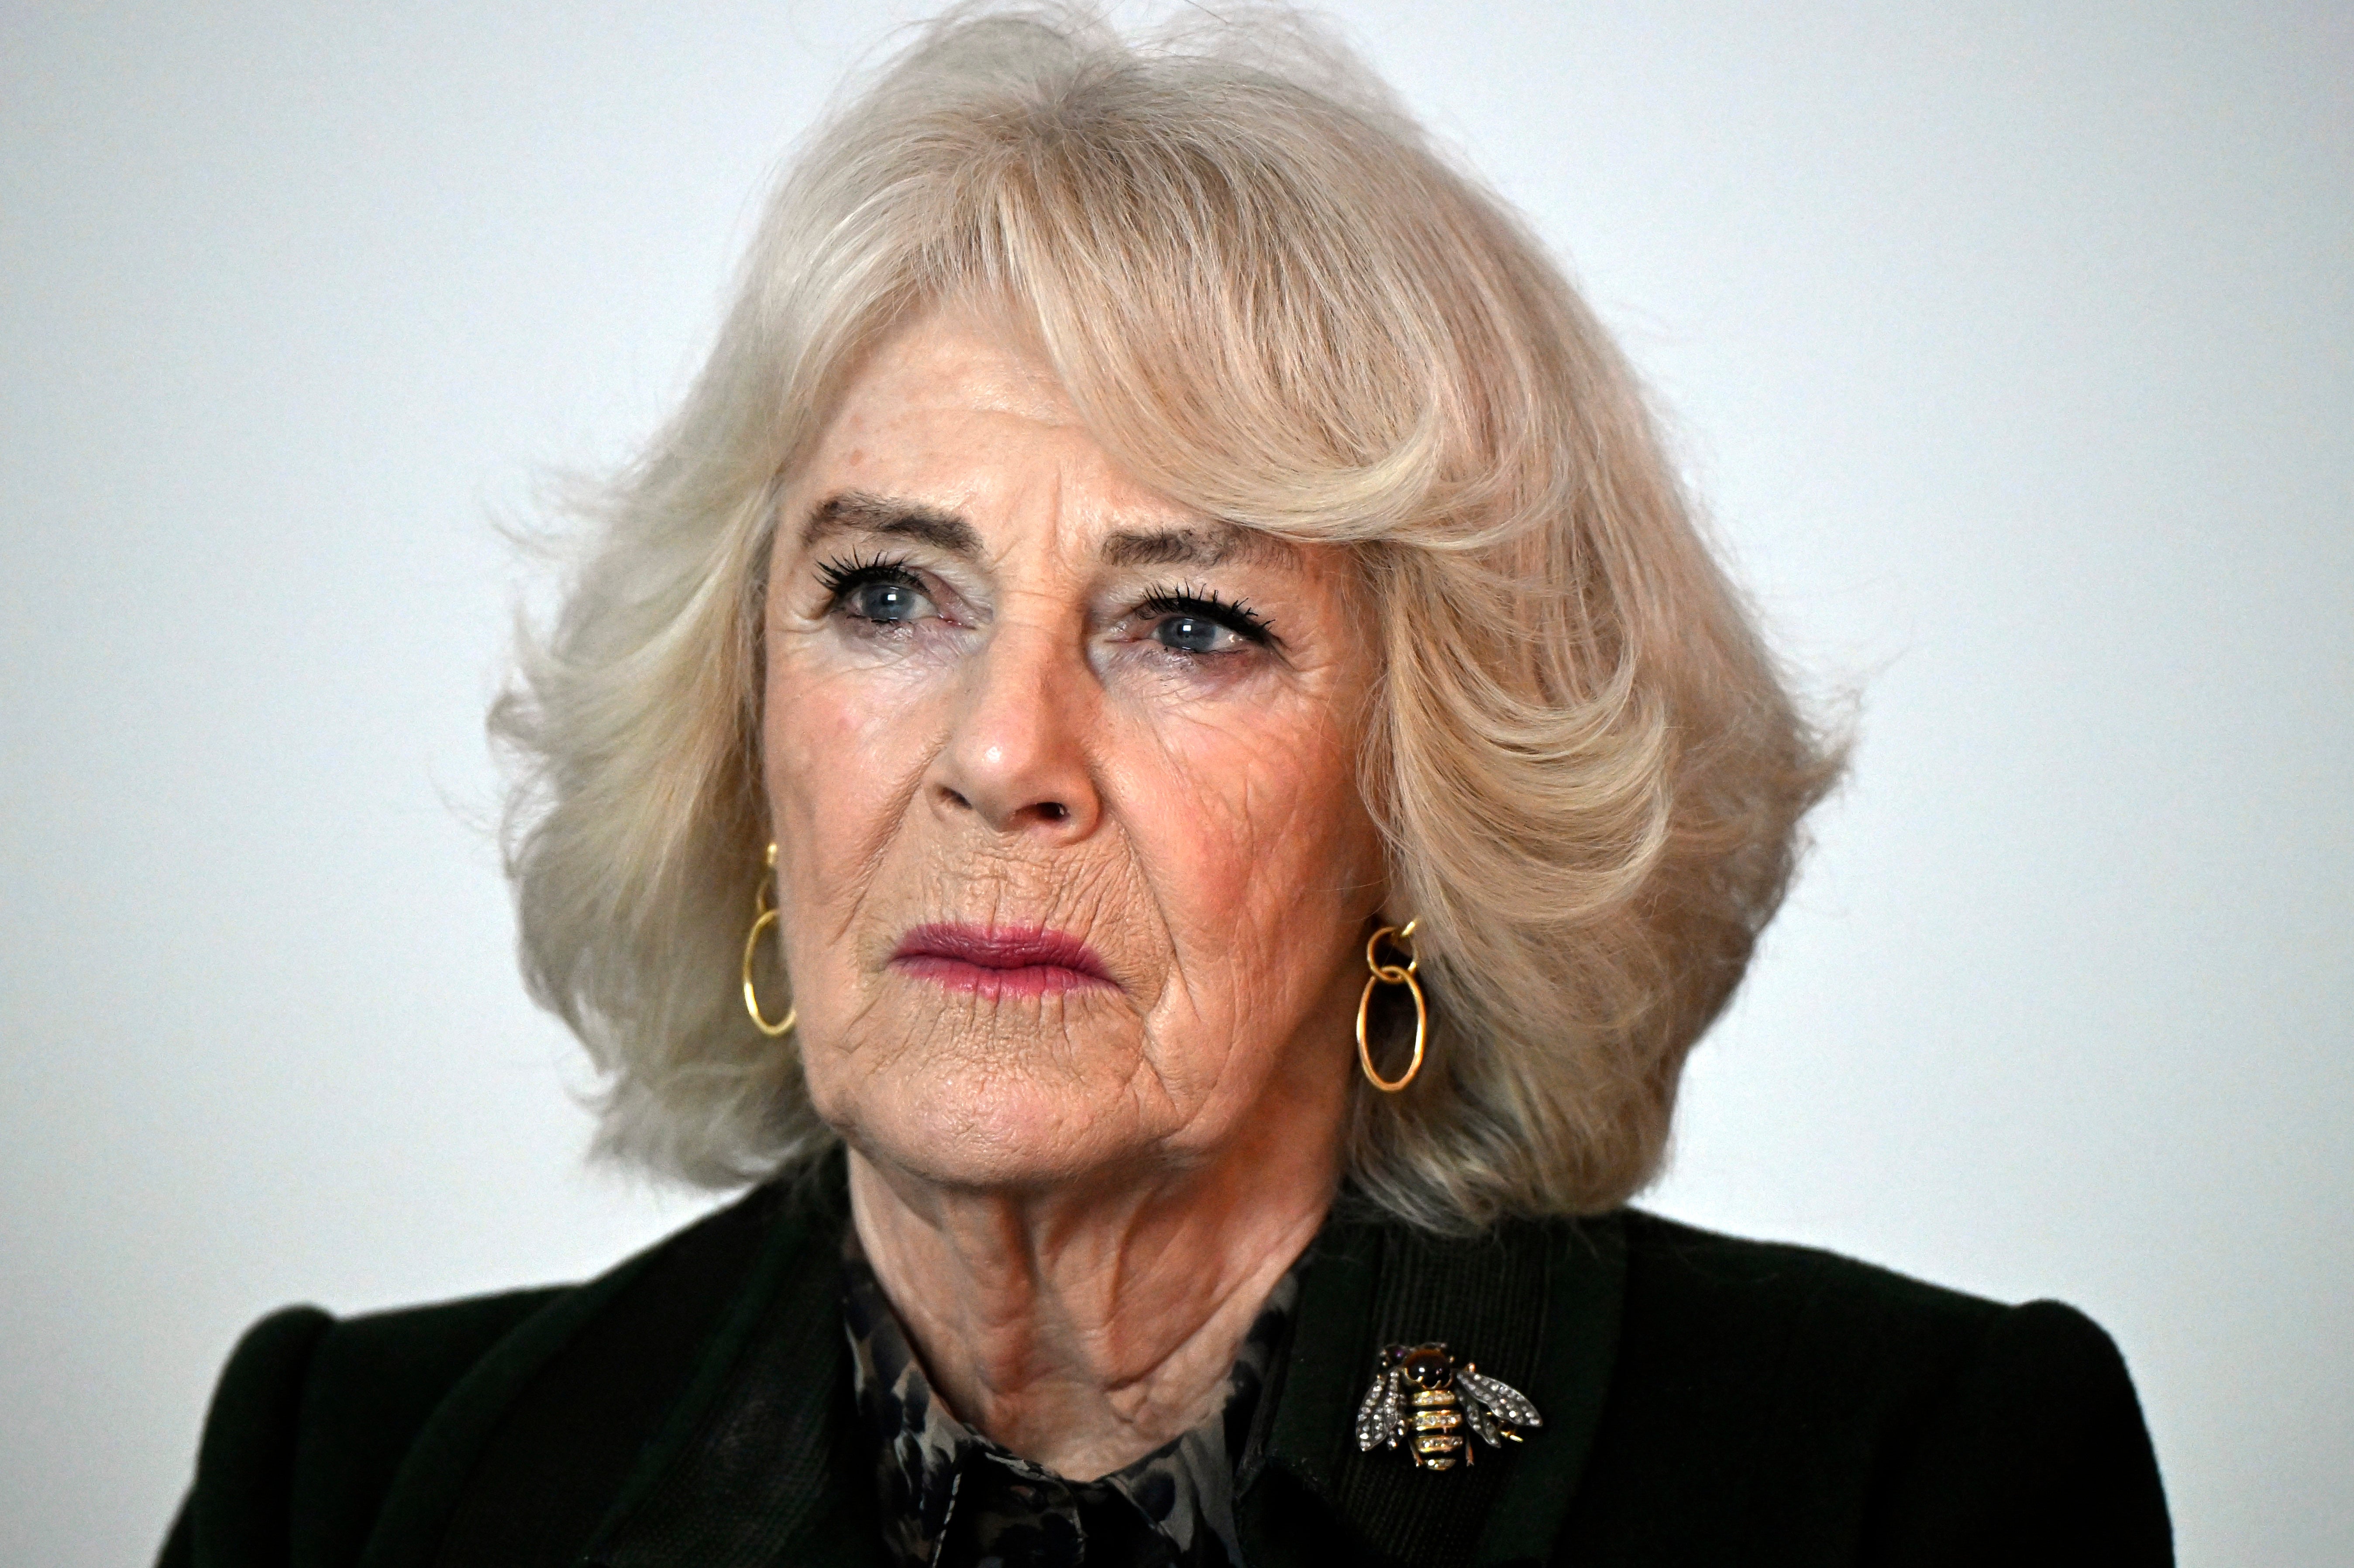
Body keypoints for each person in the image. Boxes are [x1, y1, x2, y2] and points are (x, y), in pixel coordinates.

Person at [157, 8, 2171, 1565]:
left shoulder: (1903, 1479)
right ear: (742, 728)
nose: (1001, 754)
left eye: (1189, 622)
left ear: (1432, 805)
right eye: (887, 594)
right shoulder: (359, 1481)